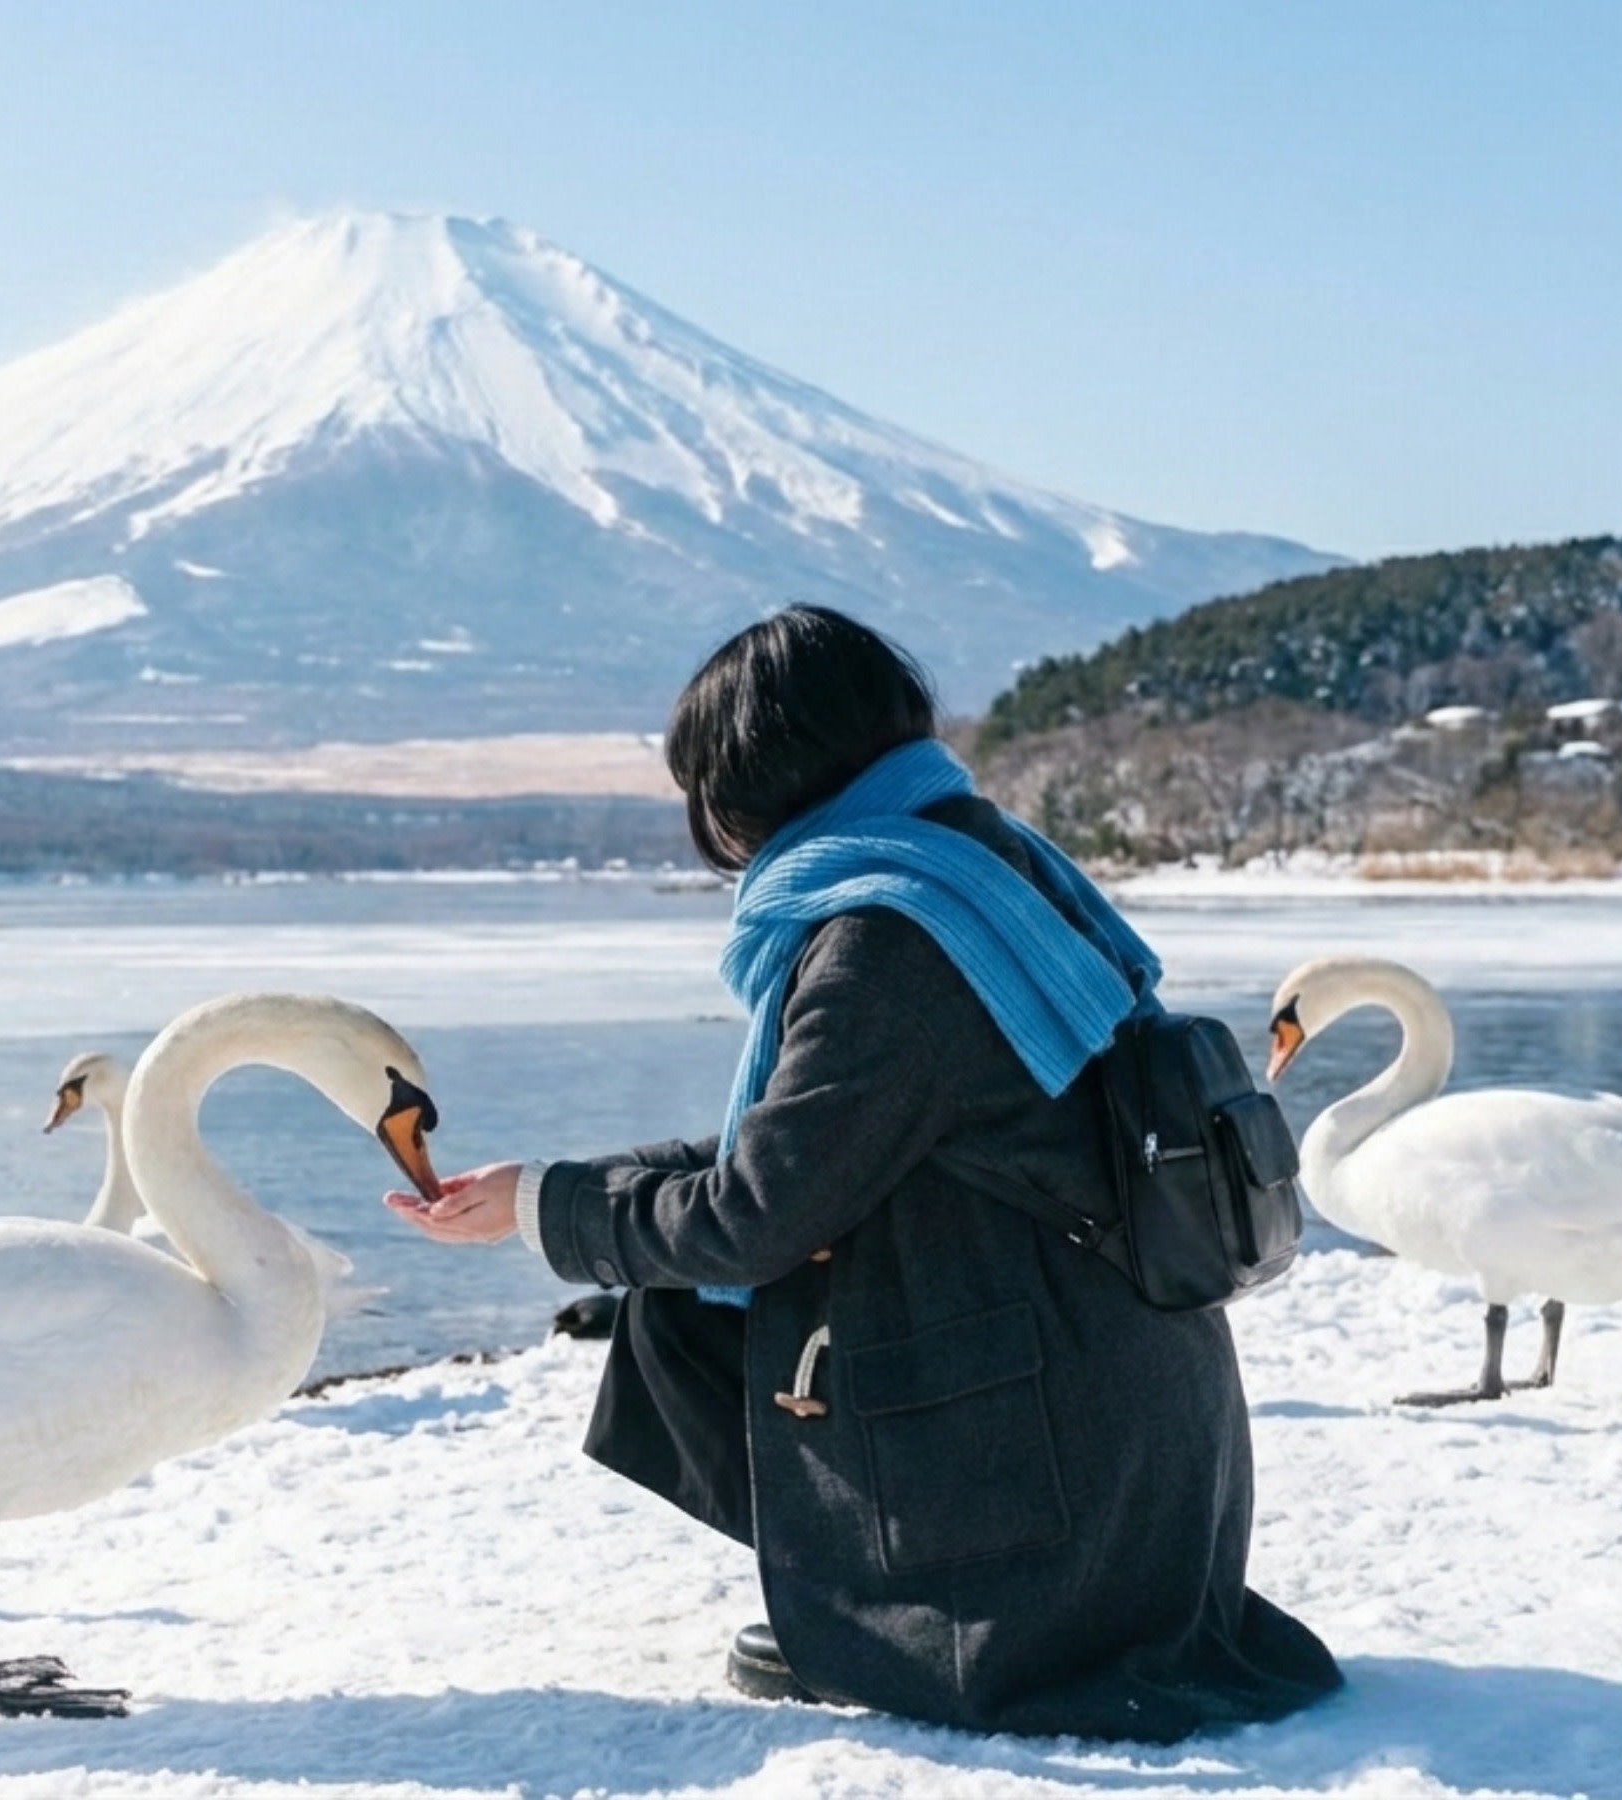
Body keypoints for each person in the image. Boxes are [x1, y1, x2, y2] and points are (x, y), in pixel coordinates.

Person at [391, 605, 1341, 1742]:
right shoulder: (983, 864)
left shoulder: (889, 943)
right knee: (674, 1302)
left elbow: (752, 1217)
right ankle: (864, 1584)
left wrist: (549, 1208)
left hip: (1059, 1517)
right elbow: (806, 1149)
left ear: (749, 781)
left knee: (683, 1289)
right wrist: (550, 1191)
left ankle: (906, 1615)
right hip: (1136, 1452)